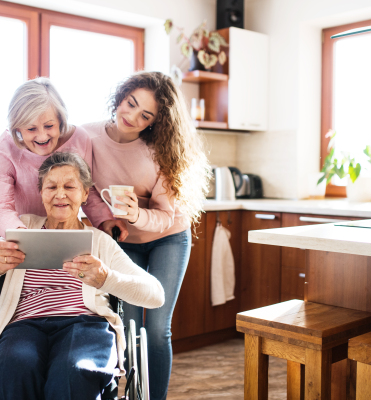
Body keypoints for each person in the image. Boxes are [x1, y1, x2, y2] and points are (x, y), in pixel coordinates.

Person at [0, 152, 164, 399]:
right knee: (15, 367)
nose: (60, 194)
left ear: (84, 193)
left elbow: (156, 295)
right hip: (25, 325)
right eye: (51, 187)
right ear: (41, 192)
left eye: (69, 186)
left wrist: (106, 279)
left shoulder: (100, 241)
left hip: (85, 325)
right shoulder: (20, 229)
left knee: (75, 370)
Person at [83, 71, 211, 400]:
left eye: (145, 115)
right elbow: (87, 189)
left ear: (155, 122)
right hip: (126, 241)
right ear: (121, 96)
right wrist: (106, 221)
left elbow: (168, 216)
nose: (132, 116)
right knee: (127, 327)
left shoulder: (160, 151)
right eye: (131, 104)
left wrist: (136, 214)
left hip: (169, 238)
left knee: (155, 330)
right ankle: (133, 393)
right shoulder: (87, 137)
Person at [0, 77, 128, 248]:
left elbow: (86, 190)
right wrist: (23, 236)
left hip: (64, 237)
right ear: (17, 128)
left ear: (61, 120)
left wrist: (105, 220)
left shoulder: (79, 139)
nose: (42, 136)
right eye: (31, 129)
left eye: (49, 126)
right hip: (16, 240)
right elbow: (0, 207)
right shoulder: (4, 149)